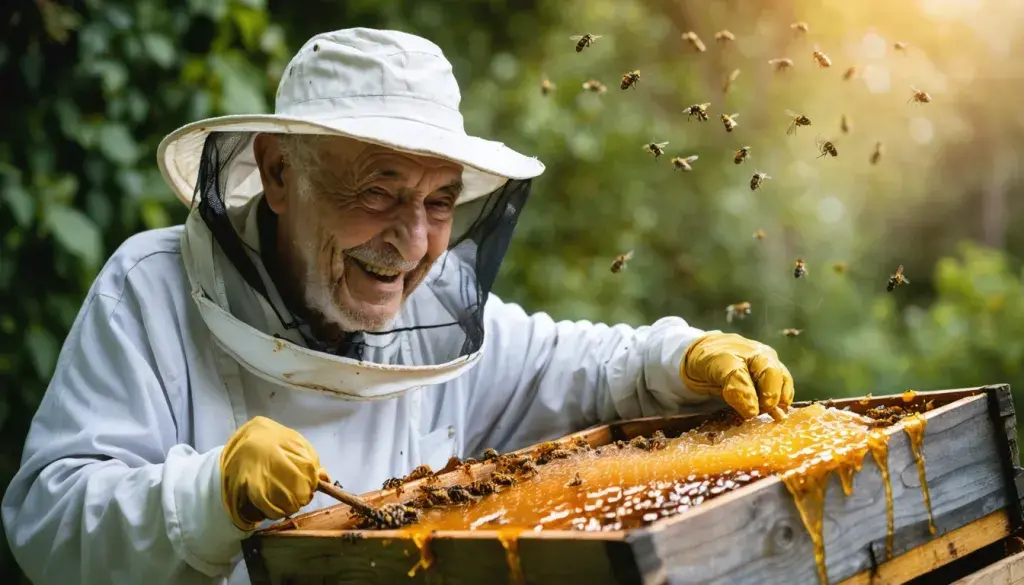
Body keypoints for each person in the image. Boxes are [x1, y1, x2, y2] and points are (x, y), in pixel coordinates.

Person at [2, 28, 795, 585]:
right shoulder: (150, 291)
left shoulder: (436, 313)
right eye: (377, 189)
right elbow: (49, 525)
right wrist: (208, 496)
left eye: (440, 201)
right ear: (278, 173)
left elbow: (578, 367)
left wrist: (680, 356)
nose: (413, 241)